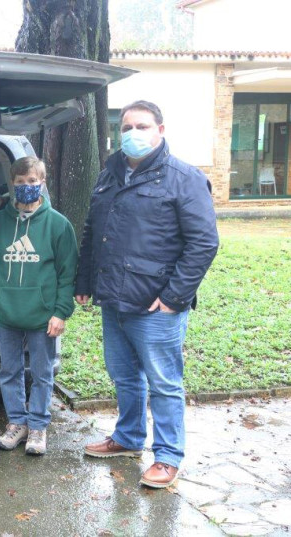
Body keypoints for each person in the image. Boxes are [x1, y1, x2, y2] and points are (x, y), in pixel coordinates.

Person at [76, 100, 219, 488]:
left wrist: (174, 297)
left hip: (156, 304)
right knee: (124, 376)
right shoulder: (110, 173)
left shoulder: (183, 178)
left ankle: (168, 456)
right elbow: (93, 231)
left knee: (164, 383)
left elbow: (204, 243)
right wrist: (84, 281)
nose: (133, 134)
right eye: (126, 127)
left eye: (142, 126)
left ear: (160, 130)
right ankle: (128, 437)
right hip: (113, 298)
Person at [0, 157, 78, 455]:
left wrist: (60, 312)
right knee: (10, 371)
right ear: (13, 184)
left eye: (32, 182)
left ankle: (37, 427)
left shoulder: (58, 225)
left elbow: (67, 274)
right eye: (20, 182)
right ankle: (17, 423)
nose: (26, 187)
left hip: (42, 316)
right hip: (5, 313)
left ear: (42, 183)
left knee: (43, 373)